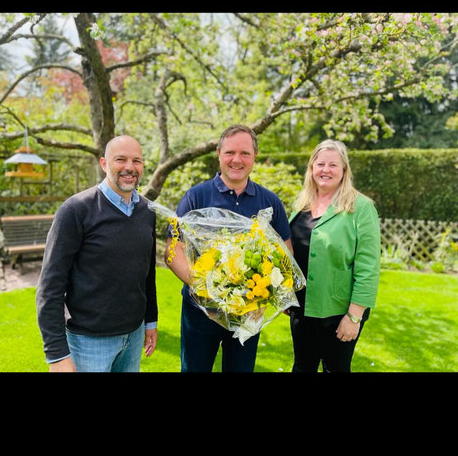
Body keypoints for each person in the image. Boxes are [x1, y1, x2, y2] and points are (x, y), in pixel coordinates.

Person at [166, 124, 292, 372]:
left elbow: (285, 254)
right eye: (230, 152)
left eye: (245, 153)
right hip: (200, 311)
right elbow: (173, 251)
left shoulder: (270, 202)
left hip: (248, 313)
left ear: (254, 156)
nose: (237, 160)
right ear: (218, 153)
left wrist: (266, 293)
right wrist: (209, 287)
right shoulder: (195, 197)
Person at [36, 135, 158, 372]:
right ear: (104, 163)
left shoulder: (147, 211)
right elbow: (49, 287)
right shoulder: (75, 210)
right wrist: (57, 354)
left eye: (137, 161)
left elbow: (147, 273)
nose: (129, 167)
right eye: (120, 159)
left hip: (133, 337)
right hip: (88, 342)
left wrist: (150, 321)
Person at [288, 139, 380, 373]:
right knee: (302, 367)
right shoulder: (302, 205)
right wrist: (285, 295)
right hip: (302, 308)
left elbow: (368, 267)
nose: (325, 170)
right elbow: (291, 254)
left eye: (333, 165)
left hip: (338, 311)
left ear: (344, 171)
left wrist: (354, 317)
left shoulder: (361, 207)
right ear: (311, 168)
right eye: (320, 164)